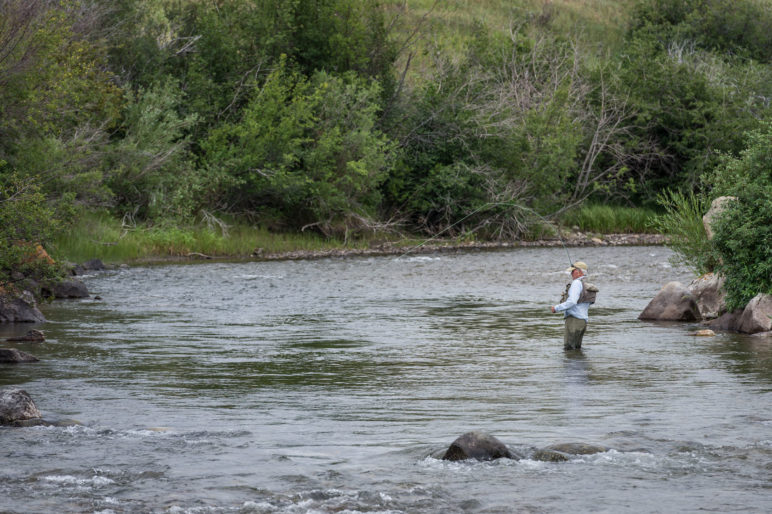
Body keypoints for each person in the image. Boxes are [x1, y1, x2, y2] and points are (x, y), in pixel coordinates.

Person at [550, 261, 592, 351]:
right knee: (577, 350)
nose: (571, 273)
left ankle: (571, 365)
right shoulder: (585, 284)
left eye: (572, 271)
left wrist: (556, 308)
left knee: (569, 350)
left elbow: (572, 302)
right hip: (583, 322)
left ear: (578, 272)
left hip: (574, 321)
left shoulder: (576, 283)